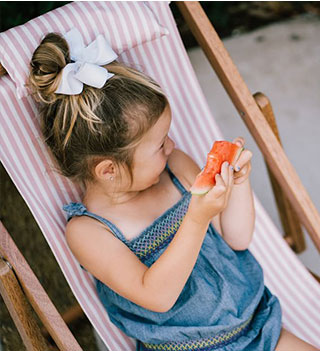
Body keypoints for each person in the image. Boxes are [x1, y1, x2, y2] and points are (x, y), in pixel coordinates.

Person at [29, 30, 318, 351]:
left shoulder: (177, 168)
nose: (173, 145)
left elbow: (236, 238)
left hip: (256, 325)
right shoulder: (89, 232)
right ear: (108, 170)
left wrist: (237, 185)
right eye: (159, 145)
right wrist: (195, 219)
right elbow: (158, 297)